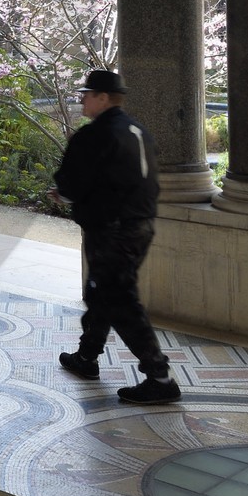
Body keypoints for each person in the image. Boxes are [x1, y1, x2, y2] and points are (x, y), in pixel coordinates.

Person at [48, 69, 181, 404]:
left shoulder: (94, 135)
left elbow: (71, 183)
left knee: (120, 300)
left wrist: (63, 195)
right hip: (141, 225)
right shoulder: (138, 130)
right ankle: (86, 357)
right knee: (102, 293)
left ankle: (160, 377)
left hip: (111, 230)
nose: (82, 100)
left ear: (103, 98)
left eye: (87, 95)